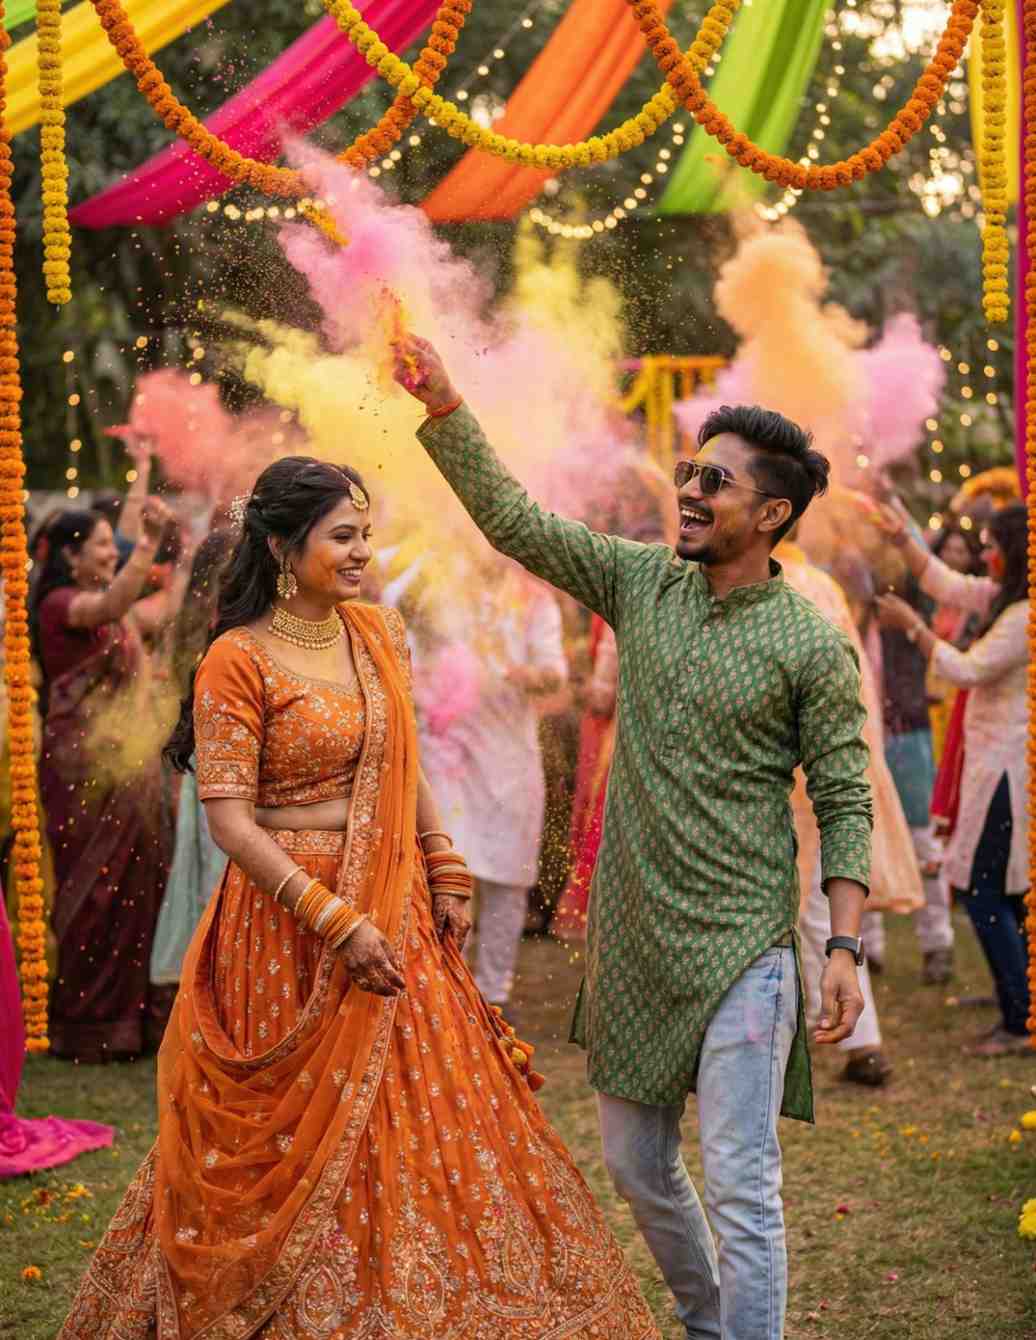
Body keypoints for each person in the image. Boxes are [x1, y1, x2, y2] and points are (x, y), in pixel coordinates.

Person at [59, 457, 661, 1340]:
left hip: (397, 906)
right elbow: (230, 821)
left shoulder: (378, 632)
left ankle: (407, 1299)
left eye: (365, 535)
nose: (362, 553)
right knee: (278, 1133)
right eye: (343, 536)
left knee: (415, 1109)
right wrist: (336, 920)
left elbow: (402, 760)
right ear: (280, 546)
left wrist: (443, 861)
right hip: (286, 926)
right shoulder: (237, 657)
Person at [394, 336, 872, 1340]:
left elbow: (843, 797)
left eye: (715, 479)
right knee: (634, 1164)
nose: (688, 490)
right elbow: (517, 522)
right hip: (635, 938)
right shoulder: (640, 582)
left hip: (746, 943)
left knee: (741, 1181)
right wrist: (444, 404)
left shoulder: (810, 643)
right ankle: (706, 1320)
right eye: (689, 471)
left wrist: (841, 942)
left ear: (773, 513)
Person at [877, 501, 1031, 1057]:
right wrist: (903, 537)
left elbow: (968, 669)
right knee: (1000, 893)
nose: (985, 554)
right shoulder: (1004, 598)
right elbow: (943, 580)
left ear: (1012, 555)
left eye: (992, 546)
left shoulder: (1022, 616)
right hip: (988, 765)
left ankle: (1019, 1019)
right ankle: (1017, 1000)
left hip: (1006, 772)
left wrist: (914, 628)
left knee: (985, 891)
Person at [32, 502, 176, 1062]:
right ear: (69, 555)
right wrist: (150, 544)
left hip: (127, 766)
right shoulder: (61, 605)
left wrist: (189, 559)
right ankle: (85, 1022)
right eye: (98, 544)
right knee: (93, 892)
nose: (109, 551)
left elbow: (155, 608)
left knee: (136, 887)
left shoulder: (113, 616)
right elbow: (116, 600)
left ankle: (131, 1022)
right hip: (82, 770)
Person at [777, 535, 923, 1089]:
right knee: (814, 910)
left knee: (791, 912)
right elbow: (860, 687)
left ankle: (839, 1040)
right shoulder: (824, 586)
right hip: (830, 768)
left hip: (782, 777)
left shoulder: (768, 585)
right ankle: (857, 1042)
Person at [416, 556, 567, 1014]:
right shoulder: (438, 588)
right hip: (449, 754)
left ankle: (492, 995)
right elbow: (413, 656)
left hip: (508, 757)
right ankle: (444, 985)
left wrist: (526, 675)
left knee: (506, 875)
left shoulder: (534, 601)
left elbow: (554, 672)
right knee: (447, 866)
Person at [149, 530, 235, 1013]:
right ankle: (213, 998)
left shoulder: (208, 625)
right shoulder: (214, 636)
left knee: (213, 880)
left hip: (206, 774)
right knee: (216, 883)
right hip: (216, 775)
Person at [872, 567, 955, 985]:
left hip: (908, 734)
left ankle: (937, 944)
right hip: (866, 736)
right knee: (860, 839)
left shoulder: (909, 606)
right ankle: (868, 948)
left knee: (923, 840)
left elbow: (921, 567)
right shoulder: (844, 604)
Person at [551, 615, 616, 941]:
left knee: (601, 818)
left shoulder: (624, 598)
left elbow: (604, 696)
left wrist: (580, 687)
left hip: (615, 734)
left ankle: (594, 915)